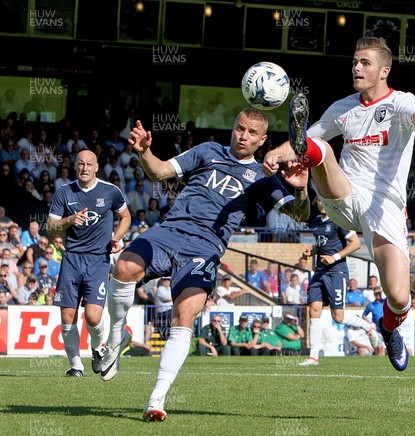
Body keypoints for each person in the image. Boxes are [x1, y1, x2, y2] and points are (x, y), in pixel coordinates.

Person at [263, 36, 415, 371]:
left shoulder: (400, 103)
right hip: (345, 196)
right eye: (354, 61)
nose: (356, 67)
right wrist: (274, 154)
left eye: (364, 62)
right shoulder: (342, 108)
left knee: (399, 297)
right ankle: (306, 171)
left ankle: (389, 327)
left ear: (384, 70)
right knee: (318, 148)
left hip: (384, 208)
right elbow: (309, 136)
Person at [102, 110, 309, 422]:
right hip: (170, 231)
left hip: (206, 248)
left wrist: (302, 189)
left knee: (183, 316)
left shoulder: (264, 178)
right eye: (240, 128)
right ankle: (117, 335)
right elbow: (158, 172)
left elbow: (300, 214)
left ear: (263, 140)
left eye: (253, 133)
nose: (244, 136)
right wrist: (145, 151)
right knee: (124, 268)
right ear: (233, 128)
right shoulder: (206, 151)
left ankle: (156, 399)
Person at [47, 149, 131, 377]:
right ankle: (76, 365)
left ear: (96, 167)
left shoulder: (110, 191)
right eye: (80, 164)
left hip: (98, 261)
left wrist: (116, 238)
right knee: (67, 317)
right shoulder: (64, 192)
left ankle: (97, 348)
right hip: (72, 259)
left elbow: (126, 217)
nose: (84, 168)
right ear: (76, 167)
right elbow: (51, 226)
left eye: (89, 164)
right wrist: (69, 220)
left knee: (93, 317)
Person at [298, 198, 376, 366]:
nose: (320, 203)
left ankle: (367, 327)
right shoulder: (316, 221)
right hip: (319, 271)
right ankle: (313, 357)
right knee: (314, 309)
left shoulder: (339, 220)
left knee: (338, 317)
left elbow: (356, 243)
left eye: (322, 200)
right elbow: (321, 245)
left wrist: (334, 257)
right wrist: (310, 252)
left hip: (336, 272)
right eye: (317, 200)